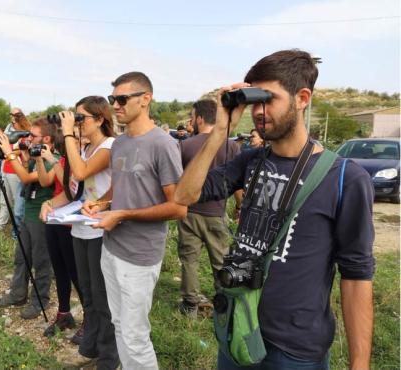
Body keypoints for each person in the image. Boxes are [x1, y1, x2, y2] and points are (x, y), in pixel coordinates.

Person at [175, 49, 374, 370]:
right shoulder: (250, 160)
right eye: (255, 100)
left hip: (294, 350)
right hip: (237, 326)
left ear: (302, 98)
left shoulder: (345, 179)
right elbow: (184, 195)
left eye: (269, 99)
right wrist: (219, 134)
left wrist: (359, 364)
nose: (258, 111)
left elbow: (356, 276)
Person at [82, 72, 186, 369]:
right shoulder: (120, 144)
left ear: (145, 99)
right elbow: (121, 187)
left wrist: (123, 214)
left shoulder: (163, 144)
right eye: (113, 98)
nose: (115, 105)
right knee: (119, 324)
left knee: (135, 335)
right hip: (111, 247)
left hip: (139, 256)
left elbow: (178, 208)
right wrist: (100, 204)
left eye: (122, 99)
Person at [40, 96, 119, 369]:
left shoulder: (110, 146)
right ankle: (91, 347)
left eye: (81, 118)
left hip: (100, 231)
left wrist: (68, 134)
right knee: (87, 292)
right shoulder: (84, 150)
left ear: (100, 119)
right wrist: (50, 203)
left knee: (102, 296)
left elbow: (83, 171)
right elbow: (74, 191)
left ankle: (109, 358)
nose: (76, 123)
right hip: (80, 230)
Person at [177, 99, 243, 316]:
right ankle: (224, 300)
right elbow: (237, 183)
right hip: (216, 213)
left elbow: (180, 181)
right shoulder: (231, 146)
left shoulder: (185, 145)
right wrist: (240, 206)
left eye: (193, 116)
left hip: (190, 212)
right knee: (221, 259)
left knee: (189, 259)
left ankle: (190, 303)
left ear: (200, 118)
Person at [0, 118, 56, 320]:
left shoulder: (55, 158)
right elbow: (28, 172)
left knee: (41, 260)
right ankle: (18, 294)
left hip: (41, 217)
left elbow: (28, 179)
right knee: (21, 257)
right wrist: (25, 157)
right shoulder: (36, 155)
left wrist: (10, 154)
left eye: (33, 135)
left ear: (46, 138)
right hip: (28, 213)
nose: (29, 138)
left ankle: (40, 300)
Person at [32, 133, 84, 340]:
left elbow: (71, 187)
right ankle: (64, 313)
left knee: (76, 273)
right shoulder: (63, 159)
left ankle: (89, 318)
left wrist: (54, 161)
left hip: (75, 221)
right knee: (60, 269)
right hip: (56, 219)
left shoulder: (83, 162)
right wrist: (39, 159)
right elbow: (47, 182)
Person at [0, 108, 30, 229]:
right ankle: (1, 223)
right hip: (6, 169)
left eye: (14, 122)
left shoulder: (25, 136)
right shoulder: (11, 133)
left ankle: (18, 228)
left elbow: (18, 152)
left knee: (18, 201)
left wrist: (9, 151)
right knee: (4, 199)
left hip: (16, 171)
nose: (12, 125)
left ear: (20, 121)